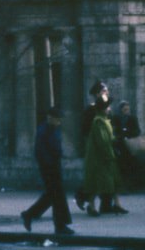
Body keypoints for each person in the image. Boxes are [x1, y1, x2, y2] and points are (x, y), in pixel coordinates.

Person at [21, 107, 75, 236]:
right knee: (56, 195)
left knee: (53, 195)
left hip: (54, 165)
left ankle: (30, 215)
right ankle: (59, 225)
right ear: (50, 118)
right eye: (57, 119)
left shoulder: (53, 129)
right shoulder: (43, 130)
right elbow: (40, 151)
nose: (59, 122)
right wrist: (50, 163)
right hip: (49, 167)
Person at [79, 98, 124, 215]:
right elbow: (103, 141)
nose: (109, 109)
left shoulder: (103, 120)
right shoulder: (99, 121)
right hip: (99, 158)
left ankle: (117, 204)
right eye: (107, 107)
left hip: (104, 156)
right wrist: (110, 154)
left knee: (113, 181)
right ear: (102, 109)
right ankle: (91, 206)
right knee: (97, 183)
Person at [109, 100, 142, 183]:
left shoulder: (132, 118)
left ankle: (130, 184)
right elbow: (113, 130)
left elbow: (137, 131)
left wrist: (128, 133)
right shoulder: (116, 118)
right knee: (121, 165)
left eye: (127, 109)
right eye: (124, 110)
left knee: (131, 165)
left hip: (130, 146)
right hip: (120, 145)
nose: (126, 111)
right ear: (121, 110)